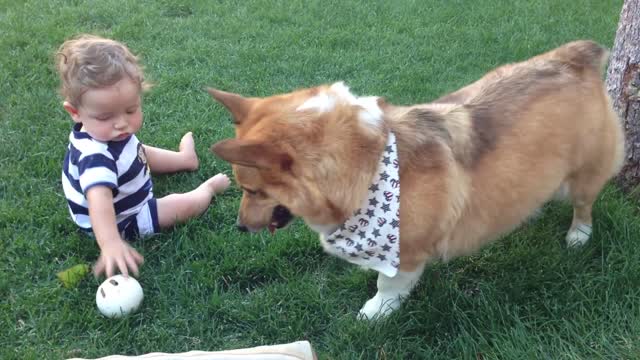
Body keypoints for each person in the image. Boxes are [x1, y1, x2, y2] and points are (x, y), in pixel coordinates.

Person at [56, 34, 230, 278]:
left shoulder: (106, 135)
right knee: (181, 206)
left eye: (131, 110)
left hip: (126, 181)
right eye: (105, 117)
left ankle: (184, 160)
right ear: (75, 112)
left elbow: (135, 152)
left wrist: (111, 122)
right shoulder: (95, 157)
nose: (121, 124)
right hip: (122, 221)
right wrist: (110, 243)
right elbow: (99, 201)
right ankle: (208, 189)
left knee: (137, 151)